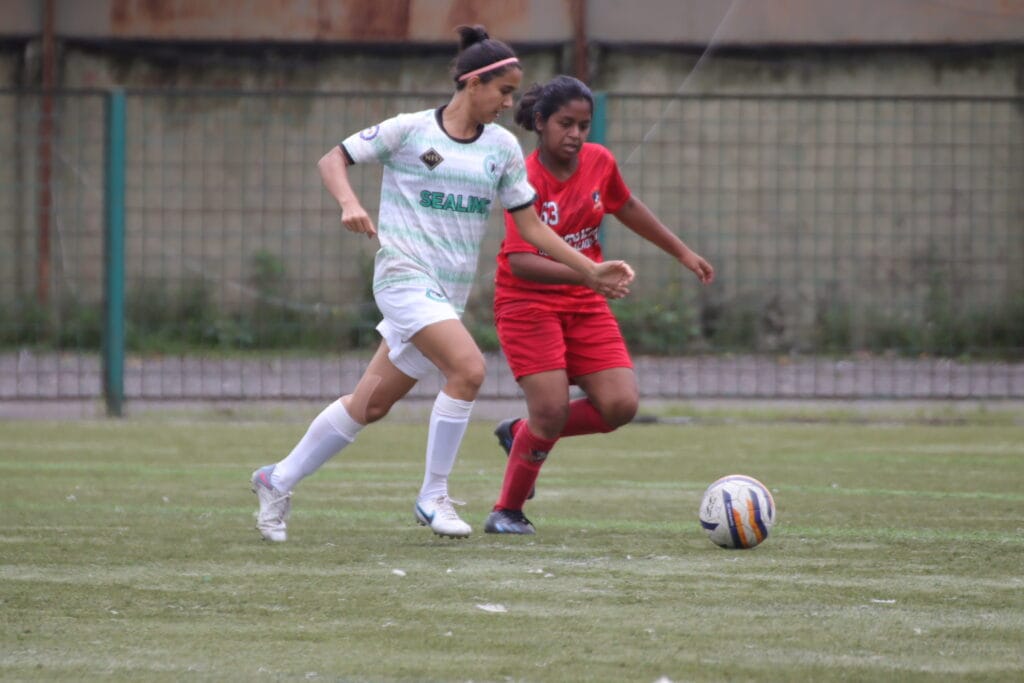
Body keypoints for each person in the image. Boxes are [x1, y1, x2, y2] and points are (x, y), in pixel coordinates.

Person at [251, 29, 634, 542]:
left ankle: (276, 479)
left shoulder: (502, 148)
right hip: (403, 278)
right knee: (468, 369)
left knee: (370, 404)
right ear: (473, 83)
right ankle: (433, 496)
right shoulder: (409, 131)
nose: (509, 103)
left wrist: (589, 270)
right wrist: (349, 203)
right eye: (503, 91)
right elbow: (333, 159)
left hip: (444, 296)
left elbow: (531, 227)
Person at [484, 75, 714, 535]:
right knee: (551, 411)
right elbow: (522, 262)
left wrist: (682, 252)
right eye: (565, 124)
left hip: (583, 302)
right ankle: (506, 511)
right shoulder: (525, 178)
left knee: (620, 405)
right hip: (527, 305)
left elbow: (626, 206)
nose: (575, 134)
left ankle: (520, 433)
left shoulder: (599, 162)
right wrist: (589, 273)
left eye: (583, 125)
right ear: (540, 122)